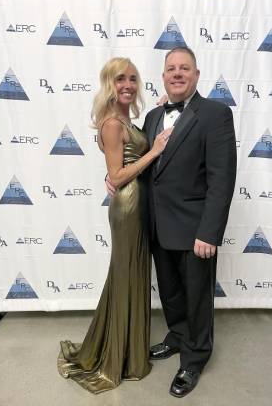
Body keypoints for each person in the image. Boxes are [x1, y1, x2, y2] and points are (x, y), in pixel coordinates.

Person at [107, 46, 237, 397]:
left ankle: (194, 358)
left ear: (196, 75)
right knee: (171, 293)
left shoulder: (216, 114)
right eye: (171, 69)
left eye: (185, 68)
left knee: (197, 296)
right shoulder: (152, 117)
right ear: (163, 76)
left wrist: (209, 231)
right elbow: (146, 164)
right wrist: (117, 178)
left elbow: (222, 179)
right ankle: (178, 336)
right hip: (157, 226)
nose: (177, 73)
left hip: (196, 230)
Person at [57, 57, 173, 394]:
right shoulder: (111, 123)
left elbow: (121, 163)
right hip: (128, 207)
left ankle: (129, 352)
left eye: (133, 79)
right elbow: (118, 176)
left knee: (132, 274)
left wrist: (164, 106)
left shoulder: (125, 117)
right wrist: (154, 152)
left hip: (139, 205)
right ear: (109, 83)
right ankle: (117, 357)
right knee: (126, 275)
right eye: (120, 78)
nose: (128, 84)